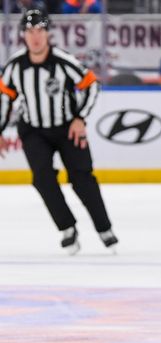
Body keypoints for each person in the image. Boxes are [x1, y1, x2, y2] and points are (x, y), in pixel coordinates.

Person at [0, 9, 117, 254]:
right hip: (33, 130)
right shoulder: (15, 66)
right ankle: (67, 228)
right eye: (30, 32)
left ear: (48, 34)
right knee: (42, 179)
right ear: (23, 35)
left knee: (82, 179)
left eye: (40, 31)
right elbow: (4, 98)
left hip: (67, 128)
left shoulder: (64, 61)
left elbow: (92, 84)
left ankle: (104, 228)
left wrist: (80, 118)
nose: (36, 37)